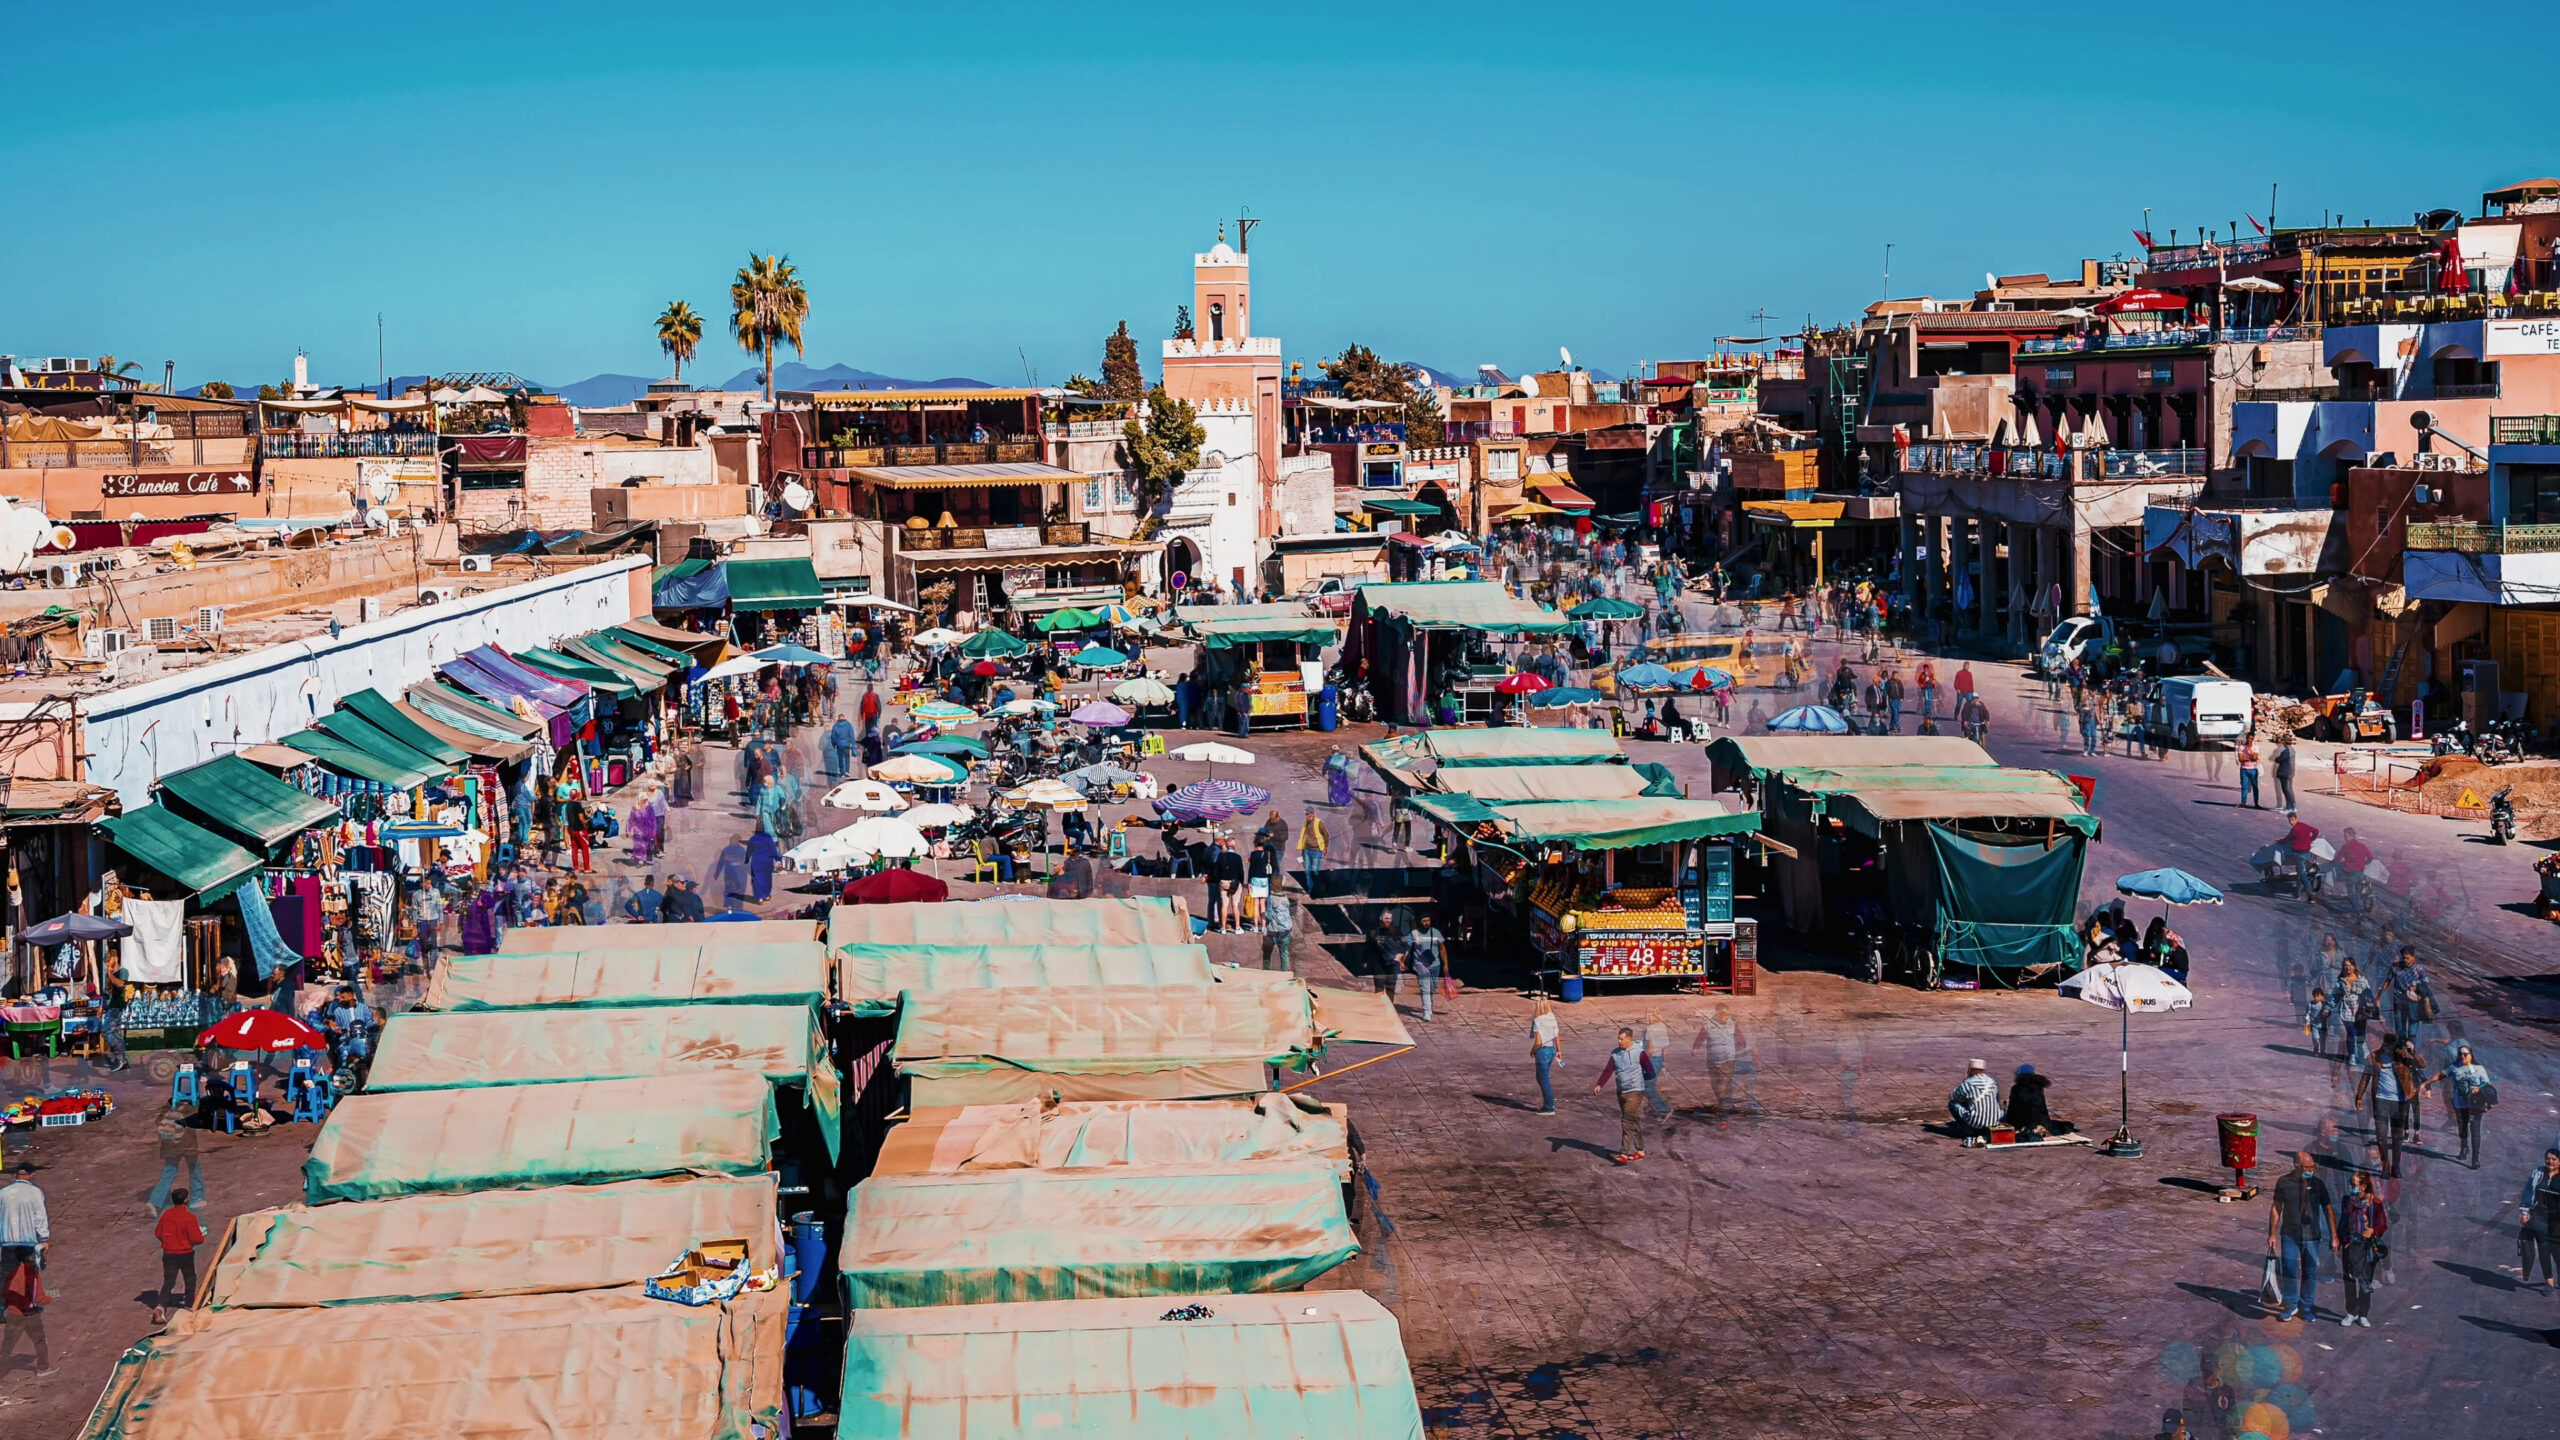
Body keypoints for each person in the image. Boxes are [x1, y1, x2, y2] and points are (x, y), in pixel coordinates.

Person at [2268, 1150, 2337, 1321]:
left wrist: (2334, 1236)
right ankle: (2290, 1304)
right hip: (2289, 1234)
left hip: (2312, 1236)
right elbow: (2277, 1208)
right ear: (2296, 1165)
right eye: (2307, 1167)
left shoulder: (2318, 1184)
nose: (2311, 1170)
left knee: (2310, 1272)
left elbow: (2328, 1209)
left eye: (2313, 1167)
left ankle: (2306, 1306)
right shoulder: (2283, 1182)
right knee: (2289, 1270)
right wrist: (2272, 1234)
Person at [2352, 1036, 2421, 1179]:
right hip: (2381, 1100)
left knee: (2397, 1137)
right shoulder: (2374, 1056)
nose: (2386, 1048)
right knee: (2381, 1137)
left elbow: (2422, 1064)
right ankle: (2385, 1166)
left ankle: (2396, 1167)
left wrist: (2411, 1052)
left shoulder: (2402, 1058)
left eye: (2390, 1046)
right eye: (2385, 1045)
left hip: (2400, 1102)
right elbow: (2366, 1077)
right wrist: (2359, 1095)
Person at [1593, 1027, 1654, 1164]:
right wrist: (1600, 1084)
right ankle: (1640, 1150)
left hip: (1635, 1091)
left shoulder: (1639, 1053)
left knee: (1626, 1120)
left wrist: (1640, 1079)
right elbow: (1609, 1069)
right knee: (1633, 1119)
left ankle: (1624, 1153)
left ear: (1629, 1039)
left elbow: (1650, 1071)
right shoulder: (1615, 1054)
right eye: (1618, 1039)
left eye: (1621, 1039)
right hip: (1621, 1091)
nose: (1619, 1041)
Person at [2427, 1042, 2493, 1169]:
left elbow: (2487, 1083)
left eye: (2465, 1054)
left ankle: (2475, 1159)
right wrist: (2427, 1083)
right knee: (2462, 1128)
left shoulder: (2479, 1069)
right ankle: (2464, 1148)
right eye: (2460, 1054)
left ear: (2471, 1055)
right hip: (2460, 1103)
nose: (2462, 1056)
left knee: (2475, 1131)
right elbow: (2441, 1075)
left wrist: (2478, 1089)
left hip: (2475, 1104)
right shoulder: (2454, 1067)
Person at [2336, 1170, 2389, 1328]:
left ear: (2364, 1186)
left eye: (2354, 1184)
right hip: (2350, 1244)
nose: (2351, 1187)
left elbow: (2383, 1224)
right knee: (2349, 1280)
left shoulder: (2375, 1203)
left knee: (2365, 1281)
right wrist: (2339, 1241)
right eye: (2351, 1184)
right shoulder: (2348, 1201)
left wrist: (2372, 1230)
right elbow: (2343, 1221)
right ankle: (2351, 1312)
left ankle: (2363, 1313)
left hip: (2366, 1247)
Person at [150, 1188, 206, 1325]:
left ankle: (160, 1306)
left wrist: (168, 1241)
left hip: (169, 1253)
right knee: (189, 1278)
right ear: (186, 1200)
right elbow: (197, 1239)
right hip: (185, 1253)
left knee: (169, 1281)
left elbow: (158, 1233)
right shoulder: (190, 1217)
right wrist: (201, 1235)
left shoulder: (166, 1215)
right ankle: (188, 1306)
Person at [0, 1252, 49, 1377]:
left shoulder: (13, 1272)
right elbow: (40, 1298)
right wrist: (52, 1297)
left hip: (13, 1313)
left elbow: (5, 1292)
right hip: (30, 1314)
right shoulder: (34, 1275)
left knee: (8, 1344)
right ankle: (43, 1368)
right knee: (40, 1340)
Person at [151, 1104, 204, 1213]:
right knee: (195, 1171)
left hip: (171, 1148)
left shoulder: (168, 1107)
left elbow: (158, 1123)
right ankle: (196, 1198)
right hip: (189, 1146)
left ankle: (155, 1201)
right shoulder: (192, 1108)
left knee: (168, 1174)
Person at [2521, 1148, 2560, 1291]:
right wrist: (2524, 1211)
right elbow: (2528, 1191)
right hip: (2539, 1217)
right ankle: (2549, 1284)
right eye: (2548, 1158)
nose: (2550, 1161)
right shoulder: (2538, 1173)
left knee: (2557, 1251)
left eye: (2554, 1159)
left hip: (2557, 1220)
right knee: (2543, 1249)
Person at [0, 1164, 44, 1278]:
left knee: (6, 1274)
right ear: (31, 1175)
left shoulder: (3, 1192)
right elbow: (40, 1217)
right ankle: (28, 1295)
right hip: (28, 1240)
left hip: (7, 1241)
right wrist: (43, 1238)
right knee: (29, 1273)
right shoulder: (35, 1192)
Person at [1948, 1058, 2002, 1146]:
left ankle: (1968, 1131)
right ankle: (1985, 1131)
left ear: (1971, 1071)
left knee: (1952, 1104)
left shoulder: (1968, 1083)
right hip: (1994, 1122)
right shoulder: (1992, 1081)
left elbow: (1953, 1096)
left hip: (1975, 1122)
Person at [1405, 911, 1446, 1022]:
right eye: (1424, 921)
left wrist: (1445, 963)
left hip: (1435, 964)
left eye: (1428, 920)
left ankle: (1430, 1006)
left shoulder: (1436, 932)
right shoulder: (1414, 934)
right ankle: (1426, 1012)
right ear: (1420, 922)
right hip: (1420, 964)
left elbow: (1442, 948)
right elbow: (1408, 949)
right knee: (1425, 989)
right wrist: (1403, 960)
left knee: (1432, 989)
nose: (1426, 923)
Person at [2002, 1063, 2053, 1139]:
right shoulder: (2039, 1088)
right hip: (2042, 1125)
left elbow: (2012, 1111)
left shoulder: (2016, 1088)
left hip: (2022, 1125)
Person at [1640, 1010, 1674, 1119]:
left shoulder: (1649, 1030)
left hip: (1651, 1061)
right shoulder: (1662, 1027)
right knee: (1651, 1085)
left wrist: (1642, 1063)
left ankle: (1663, 1109)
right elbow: (1665, 1048)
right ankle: (1655, 1107)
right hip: (1659, 1060)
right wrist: (1664, 1062)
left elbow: (1650, 1050)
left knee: (1647, 1087)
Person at [1530, 997, 1561, 1114]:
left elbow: (1538, 1041)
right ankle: (1548, 1103)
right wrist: (1559, 1051)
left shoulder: (1537, 1020)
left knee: (1543, 1079)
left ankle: (1549, 1106)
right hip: (1551, 1049)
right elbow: (1557, 1036)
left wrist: (1532, 1051)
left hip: (1542, 1051)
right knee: (1542, 1077)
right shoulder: (1552, 1017)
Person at [1210, 836, 1245, 935]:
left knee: (1224, 905)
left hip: (1223, 882)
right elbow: (1241, 872)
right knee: (1235, 905)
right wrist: (1241, 883)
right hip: (1235, 883)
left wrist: (1218, 881)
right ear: (1234, 846)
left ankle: (1223, 928)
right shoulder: (1237, 857)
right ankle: (1237, 927)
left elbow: (1216, 871)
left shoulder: (1221, 856)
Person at [1261, 890, 1295, 973]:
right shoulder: (1285, 897)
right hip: (1286, 930)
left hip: (1273, 930)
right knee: (1284, 953)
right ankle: (1284, 973)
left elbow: (1269, 916)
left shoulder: (1271, 898)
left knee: (1267, 952)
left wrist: (1263, 914)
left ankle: (1265, 972)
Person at [1298, 809, 1328, 896]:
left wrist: (1325, 847)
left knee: (1315, 870)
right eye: (1306, 814)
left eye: (1308, 814)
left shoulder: (1319, 823)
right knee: (1307, 870)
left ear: (1313, 814)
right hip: (1306, 850)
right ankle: (1310, 889)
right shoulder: (1305, 823)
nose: (1307, 816)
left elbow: (1325, 835)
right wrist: (1302, 851)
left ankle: (1319, 887)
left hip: (1316, 850)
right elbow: (1304, 837)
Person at [717, 837, 753, 910]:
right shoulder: (742, 850)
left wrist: (716, 874)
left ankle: (729, 908)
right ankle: (738, 911)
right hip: (740, 877)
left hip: (729, 876)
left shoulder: (725, 850)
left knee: (729, 891)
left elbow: (720, 863)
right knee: (739, 894)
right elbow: (746, 864)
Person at [2273, 733, 2299, 812]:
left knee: (2286, 790)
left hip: (2285, 772)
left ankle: (2290, 807)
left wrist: (2277, 758)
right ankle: (2291, 806)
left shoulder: (2286, 751)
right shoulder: (2292, 750)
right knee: (2288, 790)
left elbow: (2278, 759)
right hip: (2290, 772)